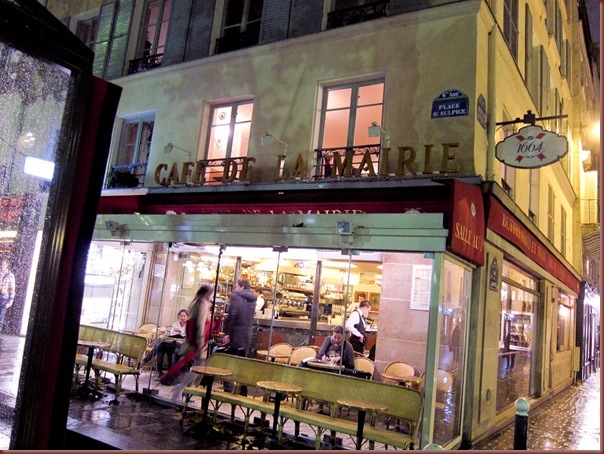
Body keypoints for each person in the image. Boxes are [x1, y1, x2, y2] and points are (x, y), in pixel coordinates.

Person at [221, 278, 257, 394]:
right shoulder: (253, 298)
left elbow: (233, 316)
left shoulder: (236, 296)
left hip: (235, 334)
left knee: (229, 362)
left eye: (237, 286)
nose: (235, 289)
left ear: (241, 287)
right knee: (242, 364)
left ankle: (229, 388)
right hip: (246, 335)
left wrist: (227, 334)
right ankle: (243, 390)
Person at [143, 309, 188, 379]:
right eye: (181, 316)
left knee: (160, 346)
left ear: (187, 317)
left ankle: (146, 360)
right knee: (160, 346)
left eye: (184, 316)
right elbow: (171, 335)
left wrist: (181, 333)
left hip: (181, 344)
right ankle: (159, 372)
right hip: (172, 342)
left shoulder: (189, 325)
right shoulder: (175, 324)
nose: (182, 318)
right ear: (179, 316)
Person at [0, 258, 16, 333]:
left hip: (3, 298)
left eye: (3, 264)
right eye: (1, 264)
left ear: (7, 265)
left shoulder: (10, 275)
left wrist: (10, 301)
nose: (1, 265)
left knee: (1, 316)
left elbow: (12, 289)